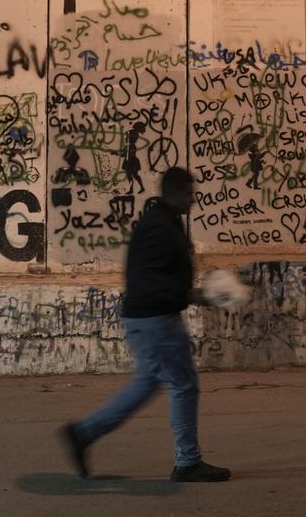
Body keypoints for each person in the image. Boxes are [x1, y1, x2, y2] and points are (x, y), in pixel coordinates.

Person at [60, 167, 231, 483]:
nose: (193, 201)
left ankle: (84, 433)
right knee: (182, 384)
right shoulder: (159, 226)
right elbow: (147, 281)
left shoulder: (162, 221)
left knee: (152, 383)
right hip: (155, 319)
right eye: (190, 194)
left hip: (151, 317)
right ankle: (187, 462)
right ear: (177, 193)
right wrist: (193, 295)